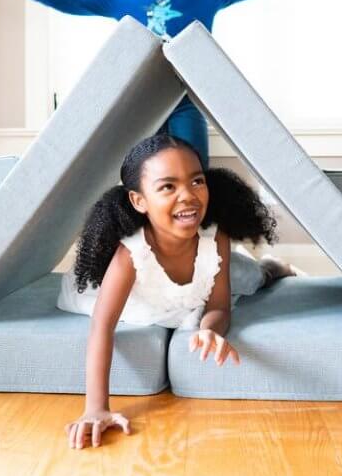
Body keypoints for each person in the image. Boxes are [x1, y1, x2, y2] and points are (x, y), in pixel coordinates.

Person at [0, 0, 312, 168]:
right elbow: (76, 4)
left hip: (187, 99)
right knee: (145, 173)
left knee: (192, 169)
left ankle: (195, 242)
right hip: (141, 101)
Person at [58, 134, 296, 450]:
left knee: (248, 278)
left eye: (196, 181)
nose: (188, 195)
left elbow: (220, 306)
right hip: (139, 299)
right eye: (168, 186)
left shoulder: (215, 237)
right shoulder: (130, 255)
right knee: (228, 282)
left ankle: (271, 268)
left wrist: (210, 331)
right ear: (139, 200)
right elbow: (102, 329)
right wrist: (96, 408)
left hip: (193, 286)